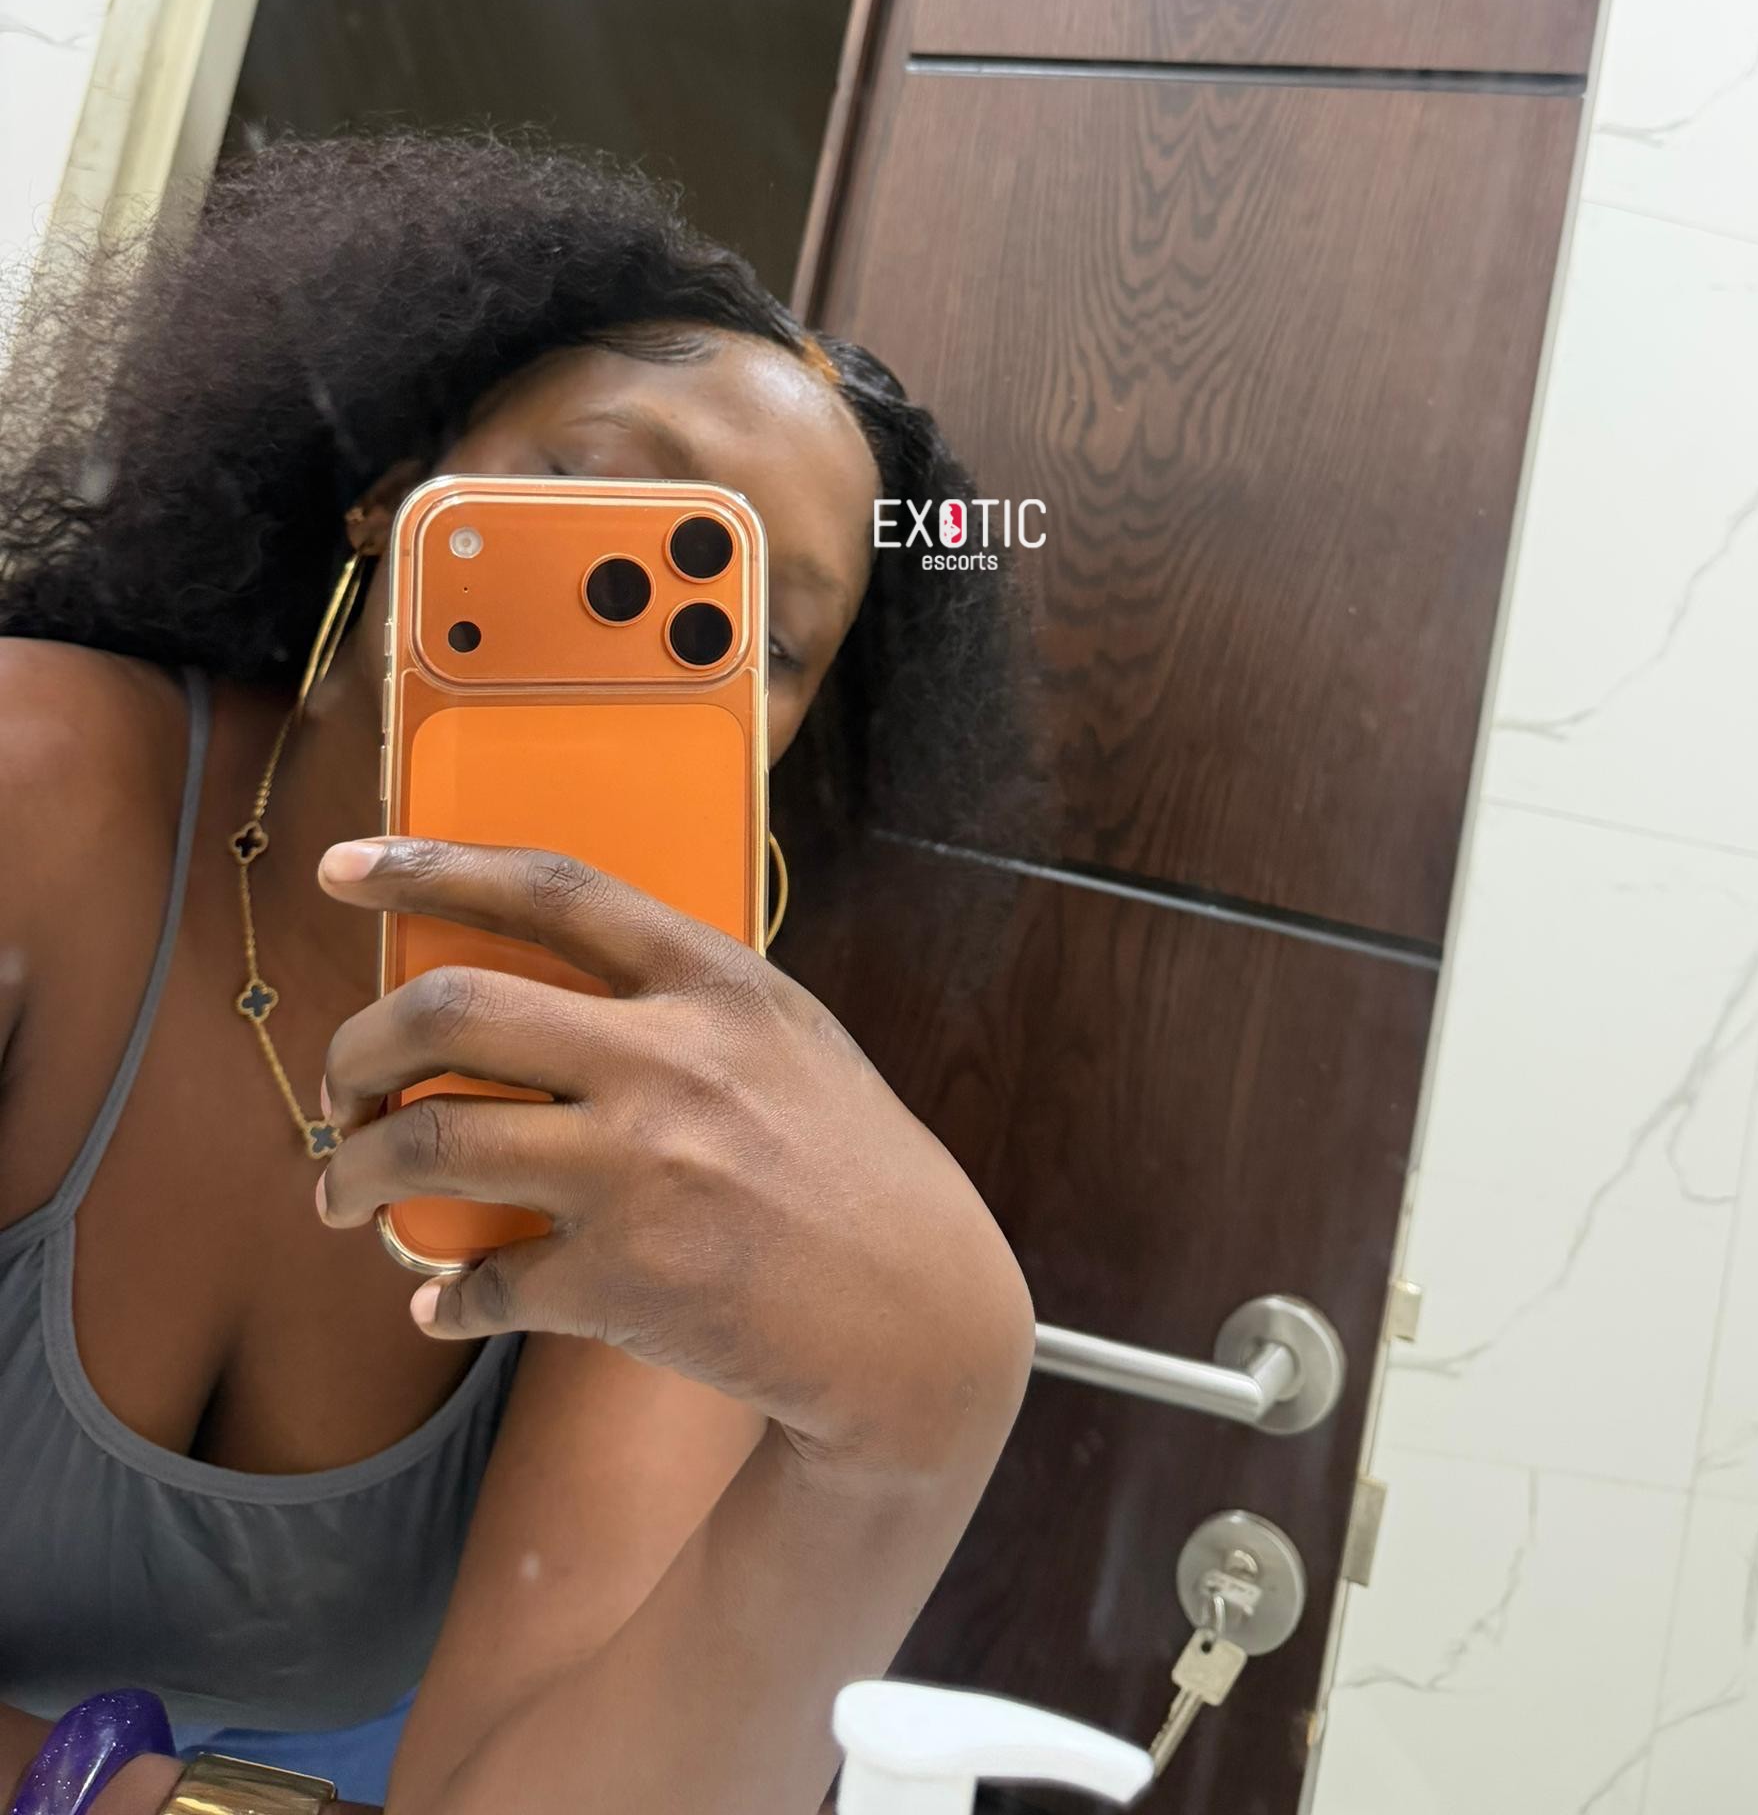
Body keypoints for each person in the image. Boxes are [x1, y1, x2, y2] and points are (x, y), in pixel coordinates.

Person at [0, 136, 1039, 1815]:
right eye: (601, 501)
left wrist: (921, 1431)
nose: (642, 631)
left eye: (761, 638)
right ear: (394, 495)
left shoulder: (689, 1133)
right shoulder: (29, 786)